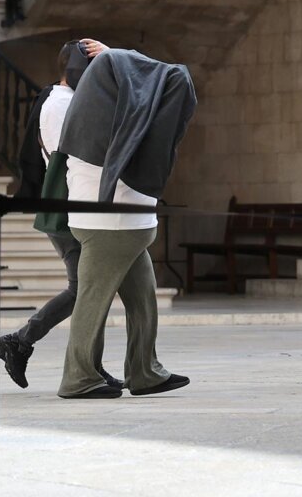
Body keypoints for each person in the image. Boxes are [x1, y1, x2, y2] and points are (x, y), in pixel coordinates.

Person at [55, 48, 197, 400]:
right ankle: (79, 376)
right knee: (93, 298)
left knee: (142, 298)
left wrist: (115, 56)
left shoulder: (93, 107)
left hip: (114, 220)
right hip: (113, 220)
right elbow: (170, 75)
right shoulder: (104, 112)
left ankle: (145, 371)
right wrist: (119, 55)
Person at [0, 37, 120, 390]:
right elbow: (84, 154)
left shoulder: (64, 99)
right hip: (68, 206)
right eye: (93, 69)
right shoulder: (61, 104)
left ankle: (36, 348)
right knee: (86, 288)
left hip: (74, 205)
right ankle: (23, 343)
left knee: (88, 289)